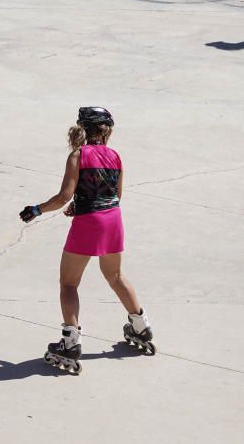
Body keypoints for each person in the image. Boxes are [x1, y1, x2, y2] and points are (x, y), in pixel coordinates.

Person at [19, 107, 154, 374]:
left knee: (69, 283)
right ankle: (141, 326)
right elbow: (115, 194)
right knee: (114, 275)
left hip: (89, 223)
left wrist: (36, 209)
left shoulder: (78, 155)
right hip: (113, 220)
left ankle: (71, 343)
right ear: (107, 130)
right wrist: (82, 204)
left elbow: (63, 197)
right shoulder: (115, 156)